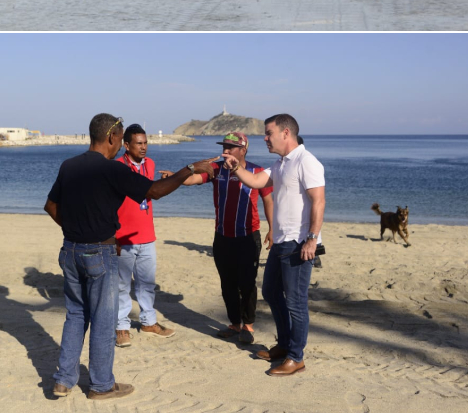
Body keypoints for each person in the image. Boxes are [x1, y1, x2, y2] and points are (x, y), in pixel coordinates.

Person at [44, 113, 214, 400]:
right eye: (120, 139)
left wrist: (77, 230)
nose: (119, 145)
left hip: (70, 250)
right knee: (102, 318)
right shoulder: (111, 169)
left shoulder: (68, 165)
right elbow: (156, 191)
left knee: (75, 315)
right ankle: (100, 385)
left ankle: (63, 380)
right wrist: (189, 169)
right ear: (112, 138)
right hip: (99, 251)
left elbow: (51, 206)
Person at [224, 114, 324, 376]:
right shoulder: (281, 164)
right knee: (270, 292)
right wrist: (235, 167)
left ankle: (296, 357)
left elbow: (319, 201)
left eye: (269, 133)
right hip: (280, 242)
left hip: (298, 243)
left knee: (296, 302)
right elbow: (256, 181)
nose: (265, 138)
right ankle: (283, 345)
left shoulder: (306, 161)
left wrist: (312, 239)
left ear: (286, 133)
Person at [169, 132, 275, 345]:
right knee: (227, 283)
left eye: (230, 147)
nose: (225, 151)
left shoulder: (257, 171)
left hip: (248, 236)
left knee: (247, 283)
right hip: (222, 236)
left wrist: (273, 229)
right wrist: (176, 178)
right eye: (224, 147)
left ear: (243, 150)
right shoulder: (216, 169)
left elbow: (268, 201)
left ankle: (249, 325)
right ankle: (234, 324)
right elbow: (193, 179)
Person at [112, 124, 173, 348]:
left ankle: (148, 322)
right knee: (121, 286)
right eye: (139, 143)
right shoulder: (117, 167)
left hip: (147, 235)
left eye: (146, 142)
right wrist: (114, 236)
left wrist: (167, 182)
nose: (144, 147)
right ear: (126, 145)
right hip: (124, 237)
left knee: (147, 284)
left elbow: (151, 194)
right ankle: (121, 327)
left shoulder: (151, 164)